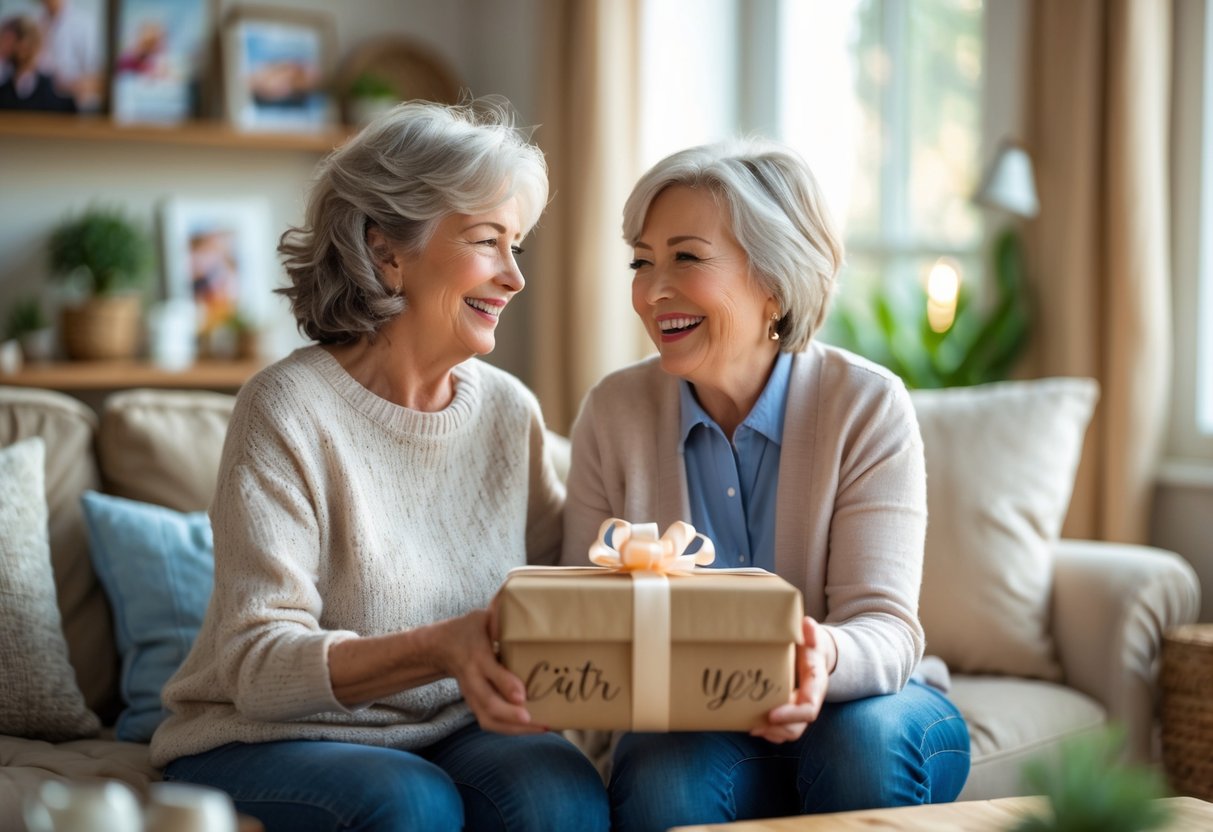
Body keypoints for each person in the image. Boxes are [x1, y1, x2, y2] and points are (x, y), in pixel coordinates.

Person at [150, 98, 610, 832]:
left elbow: (563, 580)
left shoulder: (506, 411)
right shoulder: (286, 408)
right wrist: (439, 648)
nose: (514, 277)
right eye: (488, 241)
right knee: (409, 804)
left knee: (561, 794)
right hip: (271, 735)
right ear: (387, 252)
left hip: (453, 730)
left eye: (515, 244)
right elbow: (259, 668)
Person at [561, 139, 971, 830]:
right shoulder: (614, 411)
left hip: (862, 704)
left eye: (685, 257)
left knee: (861, 748)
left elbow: (887, 629)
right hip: (690, 719)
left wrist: (814, 660)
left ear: (774, 281)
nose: (652, 289)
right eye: (641, 260)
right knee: (661, 780)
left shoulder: (865, 404)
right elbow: (586, 627)